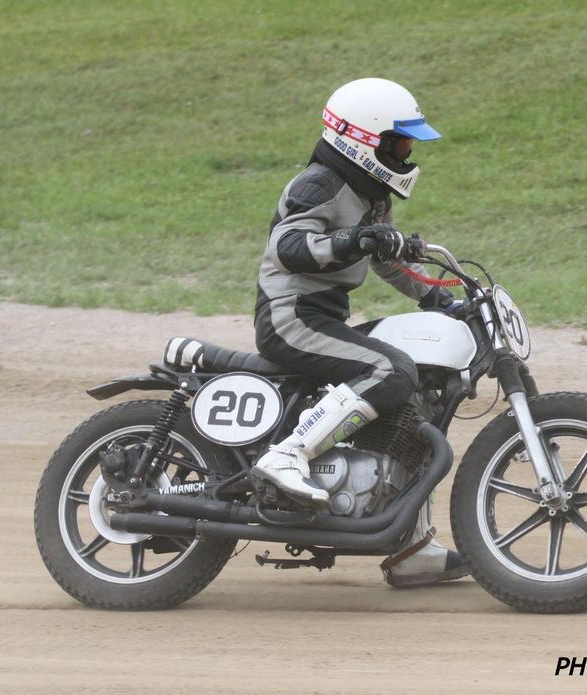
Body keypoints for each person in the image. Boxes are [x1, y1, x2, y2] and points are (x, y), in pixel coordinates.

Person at [251, 77, 467, 586]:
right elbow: (291, 246)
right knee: (391, 369)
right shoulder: (319, 183)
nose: (408, 152)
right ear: (362, 139)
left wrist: (441, 298)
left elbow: (388, 265)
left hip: (323, 317)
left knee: (417, 389)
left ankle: (409, 545)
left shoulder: (371, 195)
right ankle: (289, 454)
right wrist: (353, 239)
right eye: (399, 142)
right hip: (291, 316)